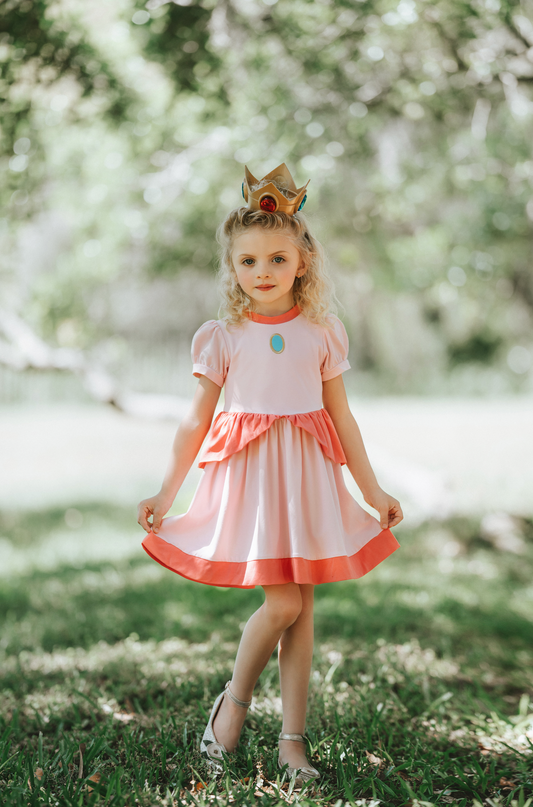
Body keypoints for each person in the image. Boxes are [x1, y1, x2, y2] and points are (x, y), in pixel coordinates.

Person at [137, 163, 403, 787]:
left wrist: (371, 490)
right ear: (233, 267)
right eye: (249, 261)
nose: (263, 271)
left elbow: (342, 418)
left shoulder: (321, 331)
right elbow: (196, 421)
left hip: (307, 477)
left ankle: (292, 744)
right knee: (282, 602)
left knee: (301, 611)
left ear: (302, 262)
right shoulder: (223, 336)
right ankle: (232, 705)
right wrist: (167, 492)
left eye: (278, 259)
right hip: (254, 480)